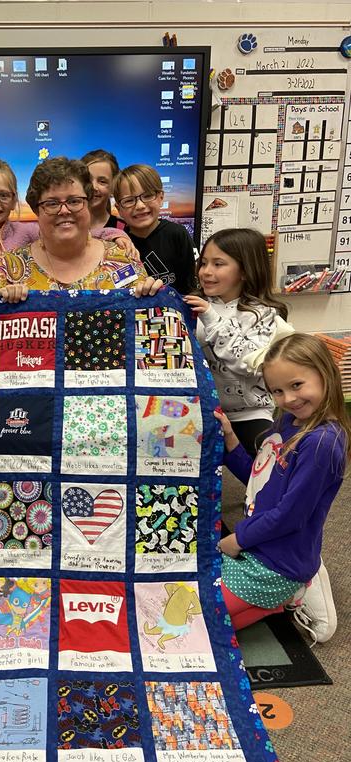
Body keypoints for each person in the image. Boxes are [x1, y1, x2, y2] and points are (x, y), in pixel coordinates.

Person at [215, 333, 350, 644]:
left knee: (200, 618)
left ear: (325, 374)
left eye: (297, 385)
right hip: (263, 549)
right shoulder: (288, 423)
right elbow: (259, 480)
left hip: (274, 564)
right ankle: (290, 592)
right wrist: (232, 442)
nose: (288, 398)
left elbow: (290, 515)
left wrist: (237, 540)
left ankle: (301, 580)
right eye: (277, 390)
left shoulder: (322, 443)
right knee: (206, 615)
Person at [0, 157, 135, 306]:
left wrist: (114, 236)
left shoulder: (26, 232)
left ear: (13, 201)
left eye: (3, 195)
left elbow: (69, 234)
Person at [0, 156, 163, 302]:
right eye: (52, 203)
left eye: (74, 201)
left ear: (88, 203)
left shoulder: (123, 260)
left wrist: (153, 300)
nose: (64, 211)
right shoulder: (4, 271)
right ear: (37, 210)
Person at [184, 228, 291, 455]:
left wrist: (212, 319)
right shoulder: (191, 306)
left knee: (270, 468)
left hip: (250, 414)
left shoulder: (264, 315)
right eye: (203, 263)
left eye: (218, 264)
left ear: (244, 271)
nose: (206, 272)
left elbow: (250, 365)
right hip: (201, 411)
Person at [113, 163, 196, 294]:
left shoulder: (177, 234)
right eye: (129, 200)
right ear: (119, 209)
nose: (140, 205)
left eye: (147, 196)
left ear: (161, 198)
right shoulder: (120, 244)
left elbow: (191, 284)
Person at [81, 149, 121, 229]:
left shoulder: (122, 228)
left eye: (102, 181)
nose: (93, 187)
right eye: (88, 180)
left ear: (112, 187)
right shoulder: (67, 226)